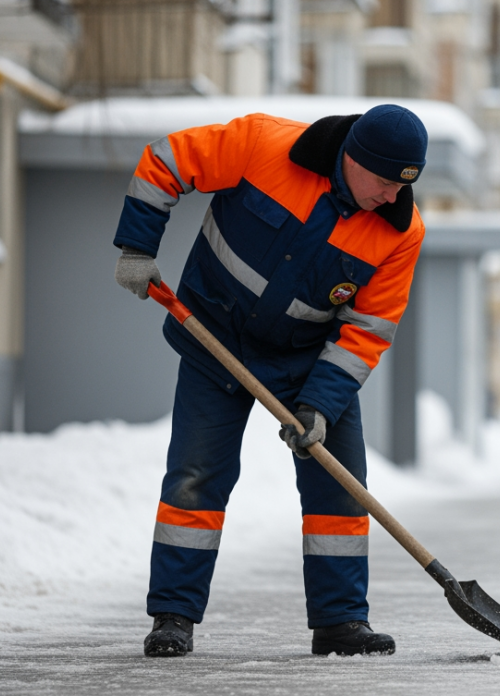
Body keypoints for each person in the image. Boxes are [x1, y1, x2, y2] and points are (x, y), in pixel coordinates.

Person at [111, 104, 429, 658]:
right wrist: (138, 247)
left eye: (404, 187)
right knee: (195, 477)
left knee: (339, 486)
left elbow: (366, 330)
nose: (392, 198)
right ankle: (173, 616)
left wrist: (320, 406)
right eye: (384, 182)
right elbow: (165, 160)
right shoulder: (263, 145)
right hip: (215, 337)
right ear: (353, 156)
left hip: (307, 359)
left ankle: (340, 622)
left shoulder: (399, 232)